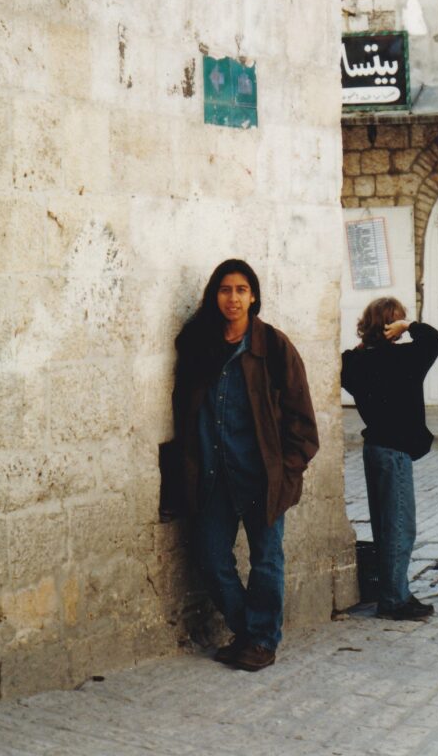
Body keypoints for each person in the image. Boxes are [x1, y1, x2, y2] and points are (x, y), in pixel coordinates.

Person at [172, 259, 319, 671]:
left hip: (261, 477)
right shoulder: (202, 345)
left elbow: (302, 421)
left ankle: (263, 642)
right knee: (212, 557)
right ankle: (250, 631)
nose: (232, 298)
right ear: (213, 296)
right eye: (224, 290)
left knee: (266, 560)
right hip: (215, 475)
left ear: (253, 295)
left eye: (240, 290)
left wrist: (286, 468)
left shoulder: (273, 346)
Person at [341, 297, 438, 621]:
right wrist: (409, 327)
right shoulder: (406, 357)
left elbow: (345, 361)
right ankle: (394, 600)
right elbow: (434, 338)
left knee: (386, 527)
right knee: (400, 527)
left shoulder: (356, 362)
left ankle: (396, 592)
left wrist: (364, 344)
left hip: (374, 450)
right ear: (393, 326)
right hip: (395, 453)